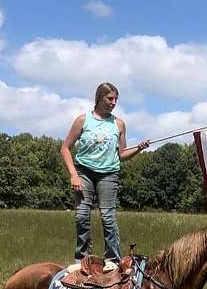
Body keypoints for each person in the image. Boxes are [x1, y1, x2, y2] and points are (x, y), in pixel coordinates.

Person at [60, 82, 149, 266]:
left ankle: (112, 260)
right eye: (110, 98)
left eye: (116, 99)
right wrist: (73, 175)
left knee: (108, 217)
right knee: (82, 215)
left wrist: (139, 149)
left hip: (109, 174)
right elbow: (65, 149)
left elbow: (122, 155)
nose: (113, 102)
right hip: (84, 172)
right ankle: (82, 259)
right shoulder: (83, 120)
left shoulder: (119, 124)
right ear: (99, 98)